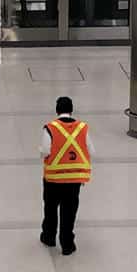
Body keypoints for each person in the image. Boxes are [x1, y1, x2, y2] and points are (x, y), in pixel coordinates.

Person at [38, 95, 92, 255]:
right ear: (71, 110)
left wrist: (40, 151)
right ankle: (67, 244)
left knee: (50, 208)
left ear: (57, 110)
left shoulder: (49, 128)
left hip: (53, 178)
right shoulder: (82, 128)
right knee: (69, 211)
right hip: (74, 179)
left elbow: (46, 151)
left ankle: (48, 237)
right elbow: (90, 149)